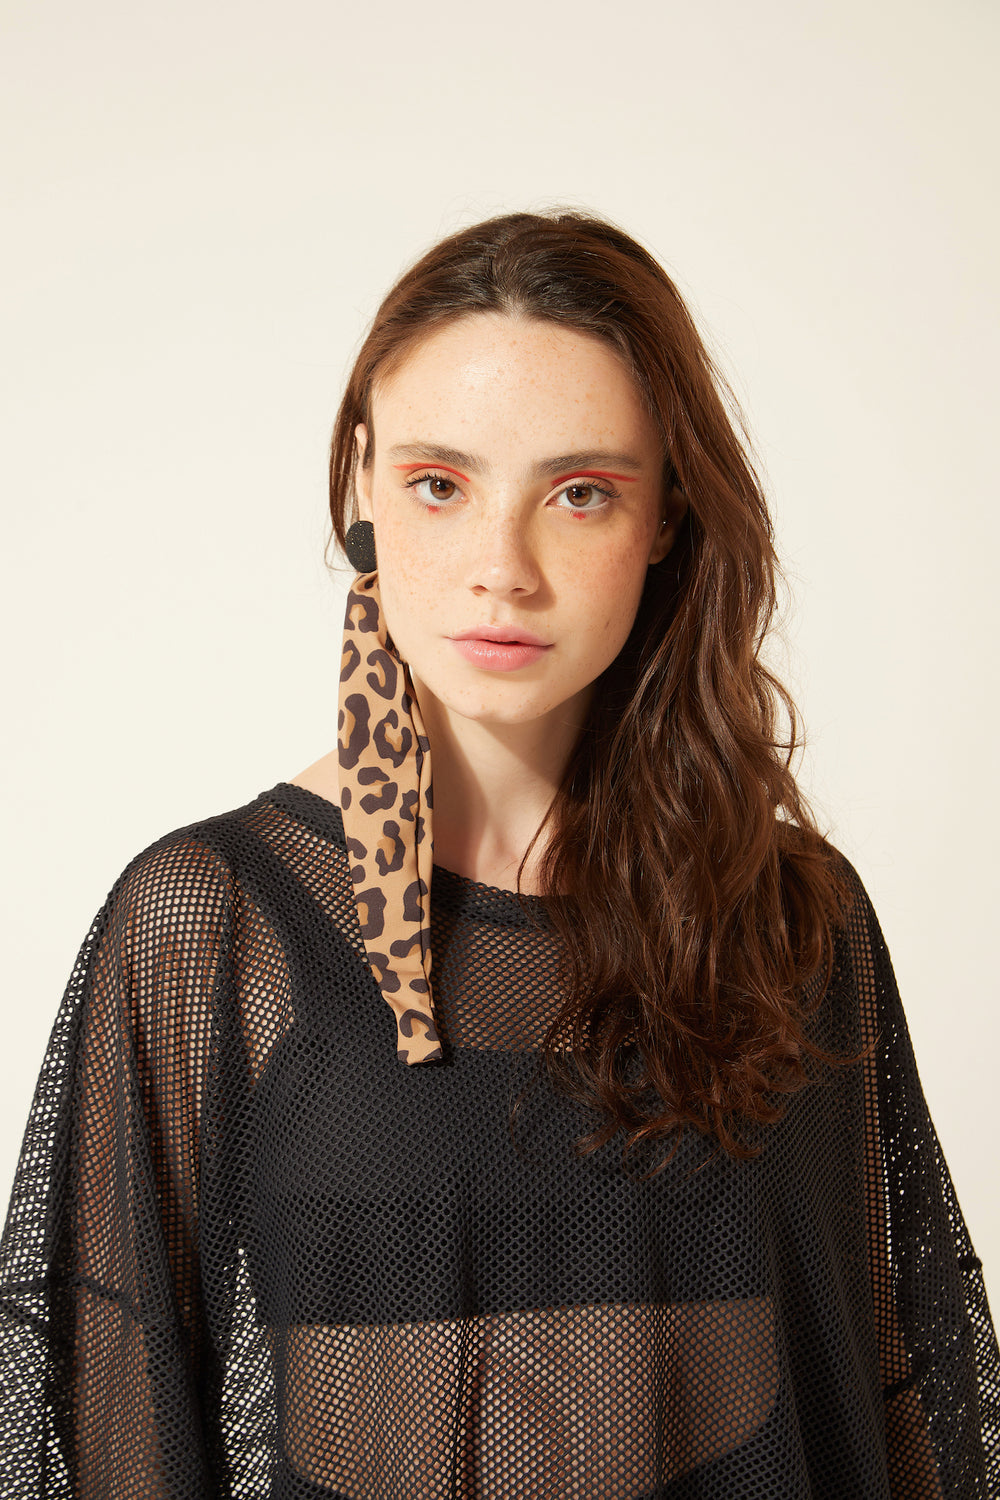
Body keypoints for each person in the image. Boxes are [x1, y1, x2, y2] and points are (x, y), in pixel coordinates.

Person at [0, 210, 996, 1499]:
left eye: (581, 493)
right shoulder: (212, 927)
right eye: (440, 484)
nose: (501, 570)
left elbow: (901, 1397)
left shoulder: (795, 918)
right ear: (364, 487)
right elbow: (105, 1428)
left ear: (666, 516)